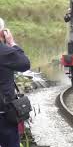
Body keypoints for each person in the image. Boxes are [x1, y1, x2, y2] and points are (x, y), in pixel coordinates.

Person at [0, 18, 30, 147]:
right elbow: (25, 63)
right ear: (2, 33)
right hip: (3, 112)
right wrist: (12, 42)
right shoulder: (6, 53)